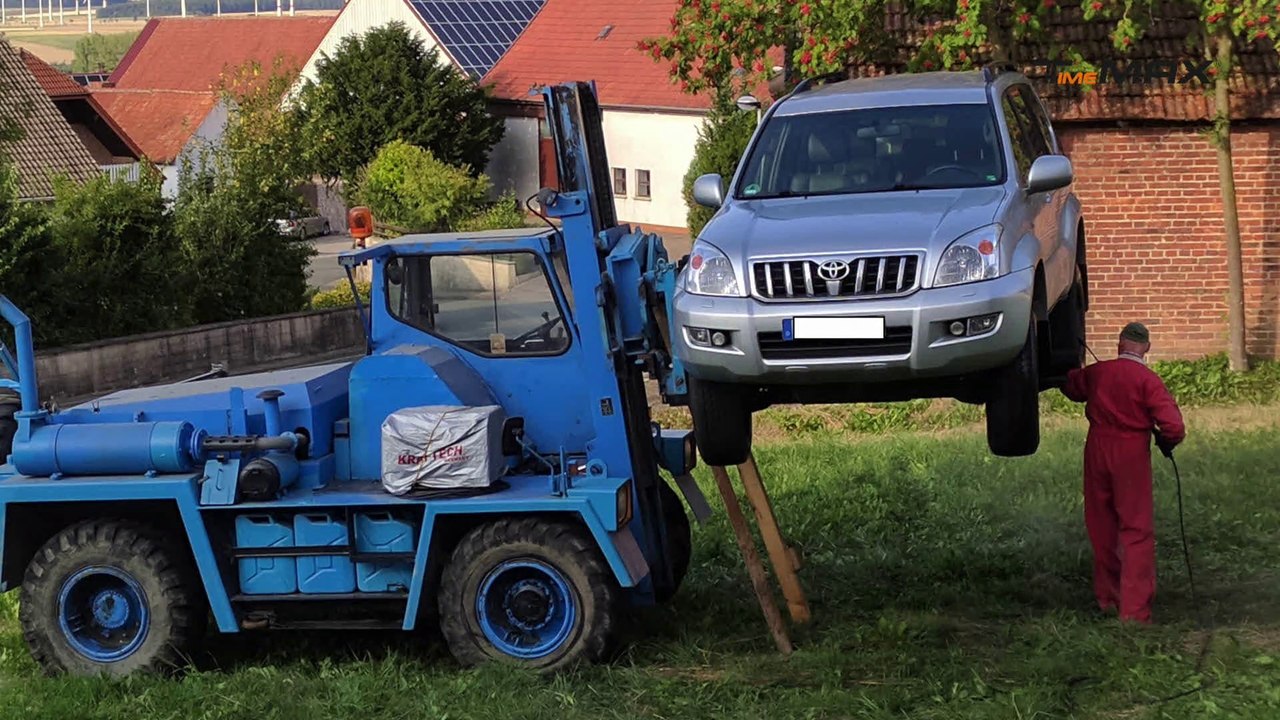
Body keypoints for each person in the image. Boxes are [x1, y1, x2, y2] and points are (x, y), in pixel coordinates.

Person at [1060, 322, 1186, 624]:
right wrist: (1165, 441)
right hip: (1131, 453)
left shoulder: (1099, 372)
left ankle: (1108, 599)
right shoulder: (1148, 380)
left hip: (1097, 447)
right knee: (1136, 529)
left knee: (1101, 524)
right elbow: (1174, 427)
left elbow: (1070, 386)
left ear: (1120, 344)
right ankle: (1134, 612)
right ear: (1147, 349)